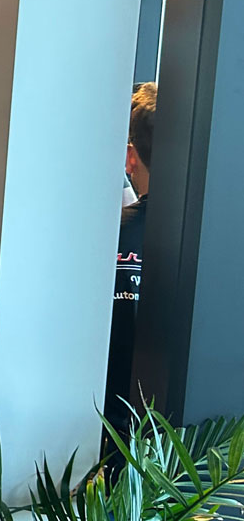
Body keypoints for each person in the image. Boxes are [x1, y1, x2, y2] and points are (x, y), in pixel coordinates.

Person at [105, 83, 155, 430]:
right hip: (205, 444)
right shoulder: (221, 243)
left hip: (111, 422)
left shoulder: (105, 238)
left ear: (130, 157)